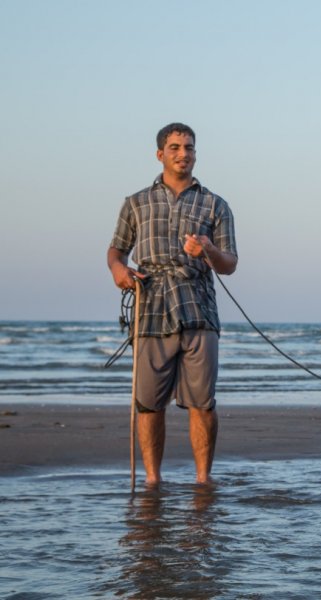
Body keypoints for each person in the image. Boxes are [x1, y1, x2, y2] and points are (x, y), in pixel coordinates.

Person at [107, 122, 238, 486]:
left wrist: (209, 249)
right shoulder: (135, 202)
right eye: (176, 147)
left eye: (190, 148)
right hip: (150, 309)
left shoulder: (215, 204)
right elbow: (116, 249)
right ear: (160, 154)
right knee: (148, 404)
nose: (184, 154)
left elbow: (230, 264)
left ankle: (202, 479)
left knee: (203, 403)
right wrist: (118, 268)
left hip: (199, 309)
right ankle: (152, 480)